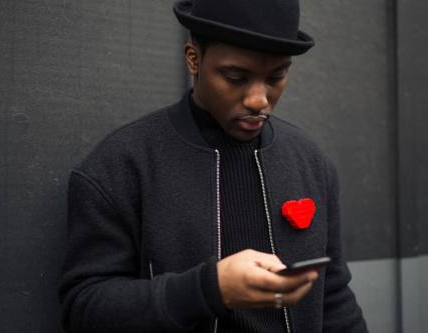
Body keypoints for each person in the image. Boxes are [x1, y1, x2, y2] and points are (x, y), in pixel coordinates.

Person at [59, 0, 368, 332]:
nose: (258, 100)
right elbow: (84, 309)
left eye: (276, 76)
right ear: (194, 58)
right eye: (236, 77)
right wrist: (209, 290)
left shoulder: (310, 163)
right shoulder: (121, 165)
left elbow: (333, 299)